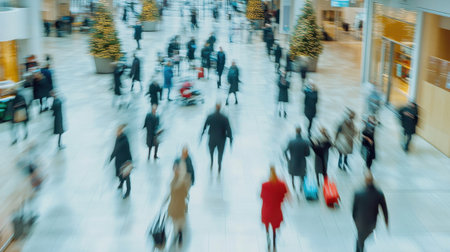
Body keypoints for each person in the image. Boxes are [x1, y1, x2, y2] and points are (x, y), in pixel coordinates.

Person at [352, 172, 388, 252]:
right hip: (372, 223)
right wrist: (386, 221)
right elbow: (384, 209)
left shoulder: (358, 193)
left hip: (360, 222)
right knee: (361, 239)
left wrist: (355, 220)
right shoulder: (379, 193)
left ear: (365, 181)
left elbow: (354, 210)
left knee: (360, 240)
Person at [261, 166, 289, 250]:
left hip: (266, 209)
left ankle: (267, 237)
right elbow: (285, 193)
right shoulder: (281, 184)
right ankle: (274, 242)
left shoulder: (265, 185)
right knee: (274, 226)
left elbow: (262, 196)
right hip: (276, 209)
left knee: (267, 224)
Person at [201, 103, 233, 173]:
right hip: (221, 139)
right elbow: (229, 129)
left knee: (211, 151)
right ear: (220, 107)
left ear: (215, 107)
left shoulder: (210, 116)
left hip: (212, 138)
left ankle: (212, 161)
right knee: (220, 153)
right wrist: (231, 139)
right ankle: (219, 164)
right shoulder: (224, 118)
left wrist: (202, 135)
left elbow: (205, 126)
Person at [167, 166, 191, 244]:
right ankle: (178, 234)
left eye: (176, 170)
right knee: (175, 221)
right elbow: (171, 192)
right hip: (174, 204)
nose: (175, 171)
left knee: (178, 221)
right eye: (174, 170)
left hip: (179, 204)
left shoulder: (183, 180)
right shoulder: (174, 179)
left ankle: (178, 234)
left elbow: (185, 193)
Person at [109, 125, 133, 199]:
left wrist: (112, 156)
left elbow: (117, 149)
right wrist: (111, 157)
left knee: (126, 176)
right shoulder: (118, 138)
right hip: (119, 160)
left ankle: (128, 191)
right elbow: (115, 148)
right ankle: (121, 183)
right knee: (120, 174)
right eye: (116, 131)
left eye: (118, 131)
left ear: (121, 131)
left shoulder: (124, 140)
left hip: (125, 160)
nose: (116, 133)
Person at [284, 127, 310, 192]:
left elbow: (285, 151)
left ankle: (293, 184)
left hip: (293, 161)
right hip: (302, 162)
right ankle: (301, 186)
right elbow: (308, 154)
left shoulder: (291, 142)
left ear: (296, 131)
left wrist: (287, 159)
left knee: (292, 173)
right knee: (302, 174)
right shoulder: (305, 142)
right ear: (301, 132)